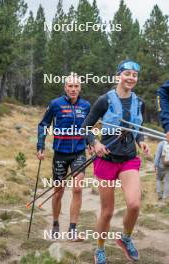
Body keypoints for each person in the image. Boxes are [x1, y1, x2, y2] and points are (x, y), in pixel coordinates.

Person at [82, 60, 150, 263]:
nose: (131, 78)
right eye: (127, 73)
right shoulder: (104, 100)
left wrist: (142, 141)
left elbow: (138, 128)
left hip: (129, 159)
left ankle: (125, 239)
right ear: (118, 76)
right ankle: (100, 249)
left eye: (135, 75)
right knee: (107, 211)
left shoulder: (139, 102)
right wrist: (95, 143)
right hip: (107, 160)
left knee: (134, 204)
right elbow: (86, 127)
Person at [37, 73, 90, 240]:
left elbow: (89, 126)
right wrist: (40, 145)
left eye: (76, 86)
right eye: (70, 86)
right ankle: (55, 223)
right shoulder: (55, 104)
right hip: (60, 153)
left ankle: (73, 229)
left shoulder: (86, 105)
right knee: (58, 192)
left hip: (79, 153)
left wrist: (91, 142)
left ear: (80, 88)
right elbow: (43, 124)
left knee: (77, 188)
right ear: (65, 88)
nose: (73, 89)